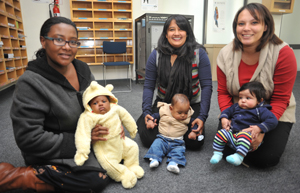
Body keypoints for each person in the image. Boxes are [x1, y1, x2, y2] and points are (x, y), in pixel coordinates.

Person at [0, 17, 116, 192]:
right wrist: (83, 139)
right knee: (96, 179)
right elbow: (29, 139)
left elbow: (100, 100)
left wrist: (112, 121)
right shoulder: (30, 82)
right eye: (59, 39)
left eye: (73, 42)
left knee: (118, 158)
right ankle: (19, 176)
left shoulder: (83, 69)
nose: (67, 47)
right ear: (43, 41)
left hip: (87, 138)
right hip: (53, 150)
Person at [216, 3, 297, 168]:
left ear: (265, 26)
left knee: (266, 158)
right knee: (223, 148)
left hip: (272, 110)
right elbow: (223, 92)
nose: (246, 28)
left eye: (254, 22)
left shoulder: (283, 53)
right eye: (241, 24)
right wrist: (226, 116)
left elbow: (281, 99)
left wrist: (261, 129)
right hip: (240, 108)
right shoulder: (225, 53)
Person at [137, 14, 212, 150]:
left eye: (181, 29)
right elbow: (148, 86)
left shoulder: (199, 54)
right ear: (166, 34)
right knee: (149, 139)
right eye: (172, 29)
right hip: (164, 103)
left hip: (190, 105)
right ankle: (145, 120)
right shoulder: (157, 55)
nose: (176, 33)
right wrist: (147, 111)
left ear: (187, 33)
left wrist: (202, 117)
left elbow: (207, 87)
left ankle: (170, 134)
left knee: (195, 142)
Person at [74, 81, 144, 189]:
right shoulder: (88, 117)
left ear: (109, 100)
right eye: (95, 103)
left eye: (103, 101)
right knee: (109, 165)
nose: (100, 104)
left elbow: (126, 116)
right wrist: (82, 152)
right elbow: (82, 134)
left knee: (133, 147)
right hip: (104, 147)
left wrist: (132, 129)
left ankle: (132, 165)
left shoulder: (115, 108)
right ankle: (123, 174)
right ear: (89, 106)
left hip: (120, 140)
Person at [210, 81, 278, 166]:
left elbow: (273, 120)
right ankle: (217, 153)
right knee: (220, 133)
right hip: (233, 135)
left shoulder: (261, 110)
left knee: (244, 135)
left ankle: (239, 156)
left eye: (248, 98)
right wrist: (224, 118)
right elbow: (226, 112)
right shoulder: (236, 107)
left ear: (259, 101)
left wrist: (259, 128)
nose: (243, 101)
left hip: (248, 140)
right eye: (240, 97)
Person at [144, 94, 200, 174]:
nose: (183, 115)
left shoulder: (188, 116)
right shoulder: (164, 110)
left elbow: (194, 124)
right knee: (156, 145)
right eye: (180, 113)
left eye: (186, 112)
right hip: (162, 138)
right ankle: (154, 159)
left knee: (179, 151)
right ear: (171, 108)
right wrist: (151, 121)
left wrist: (193, 132)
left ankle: (173, 163)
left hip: (178, 142)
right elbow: (154, 116)